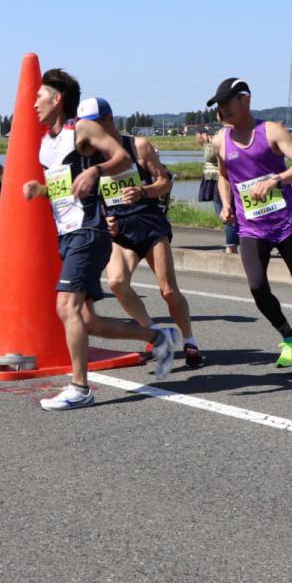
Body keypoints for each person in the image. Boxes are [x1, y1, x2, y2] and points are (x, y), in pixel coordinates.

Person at [22, 69, 178, 411]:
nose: (34, 104)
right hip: (67, 233)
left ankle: (80, 388)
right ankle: (159, 336)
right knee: (87, 320)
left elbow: (122, 158)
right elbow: (67, 188)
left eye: (39, 96)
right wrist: (41, 190)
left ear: (57, 99)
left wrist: (96, 170)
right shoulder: (46, 144)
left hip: (88, 231)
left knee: (66, 308)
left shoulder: (80, 129)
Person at [211, 77, 292, 370]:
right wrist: (226, 204)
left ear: (245, 99)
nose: (223, 110)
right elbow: (223, 176)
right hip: (250, 227)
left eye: (228, 103)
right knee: (257, 287)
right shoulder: (220, 140)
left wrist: (276, 180)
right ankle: (290, 339)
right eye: (219, 106)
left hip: (285, 223)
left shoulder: (271, 130)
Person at [81, 97, 204, 368]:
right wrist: (103, 220)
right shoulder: (89, 159)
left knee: (168, 290)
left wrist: (143, 191)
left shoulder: (138, 146)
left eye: (93, 124)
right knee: (116, 283)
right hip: (120, 229)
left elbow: (164, 182)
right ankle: (155, 333)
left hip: (149, 225)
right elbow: (90, 199)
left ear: (108, 120)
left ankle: (190, 341)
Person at [197, 128, 238, 254]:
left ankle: (231, 247)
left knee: (226, 214)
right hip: (220, 180)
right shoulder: (231, 136)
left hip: (220, 181)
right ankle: (232, 245)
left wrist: (206, 143)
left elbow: (210, 156)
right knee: (228, 213)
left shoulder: (222, 138)